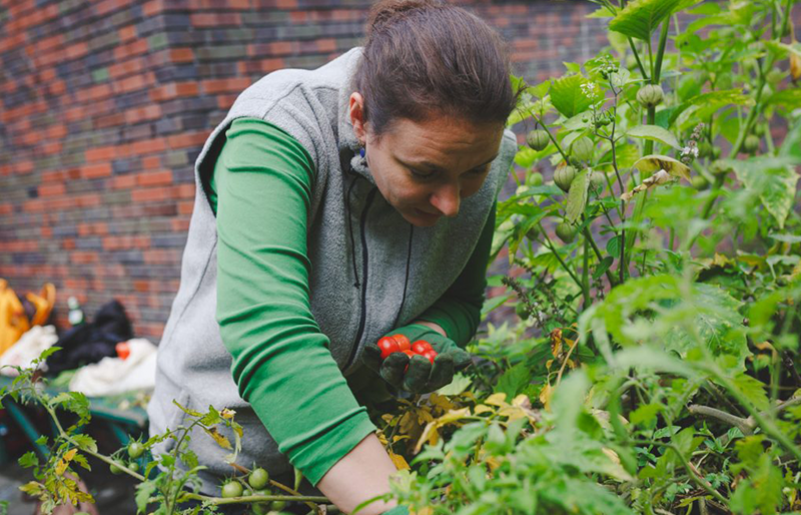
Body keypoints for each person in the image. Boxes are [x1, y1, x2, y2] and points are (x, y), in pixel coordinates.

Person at [147, 0, 519, 513]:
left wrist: (430, 333)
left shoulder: (477, 150)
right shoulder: (278, 128)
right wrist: (399, 508)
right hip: (220, 472)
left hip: (367, 463)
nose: (452, 203)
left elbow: (461, 299)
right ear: (359, 118)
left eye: (475, 171)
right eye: (424, 172)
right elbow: (270, 334)